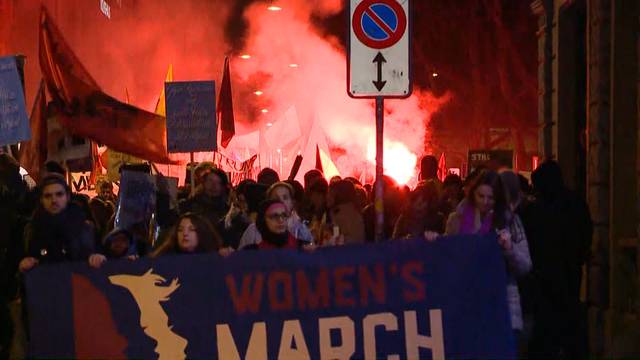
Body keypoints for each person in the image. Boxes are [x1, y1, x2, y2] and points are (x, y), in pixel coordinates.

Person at [426, 170, 531, 336]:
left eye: (491, 198)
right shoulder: (457, 220)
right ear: (473, 194)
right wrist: (436, 242)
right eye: (481, 196)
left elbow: (525, 265)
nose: (485, 202)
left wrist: (510, 249)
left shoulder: (509, 221)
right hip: (467, 306)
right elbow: (447, 257)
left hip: (501, 308)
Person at [522, 161, 592, 359]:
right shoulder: (576, 204)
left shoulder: (535, 211)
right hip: (570, 273)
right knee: (569, 323)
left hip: (543, 278)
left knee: (545, 330)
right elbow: (586, 235)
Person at [19, 174, 95, 273]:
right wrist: (24, 264)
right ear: (41, 200)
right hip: (46, 284)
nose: (54, 200)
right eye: (48, 196)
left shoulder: (83, 227)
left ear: (67, 197)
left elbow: (94, 254)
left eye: (59, 194)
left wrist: (96, 258)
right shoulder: (31, 229)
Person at [238, 182, 313, 249]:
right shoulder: (253, 230)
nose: (281, 201)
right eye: (276, 198)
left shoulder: (301, 231)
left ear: (292, 203)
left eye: (285, 197)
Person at [150, 213, 222, 257]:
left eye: (191, 229)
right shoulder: (164, 259)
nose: (185, 233)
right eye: (180, 230)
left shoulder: (214, 258)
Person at [326, 180, 365, 245]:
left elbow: (340, 236)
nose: (327, 197)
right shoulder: (337, 212)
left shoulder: (344, 212)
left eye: (330, 193)